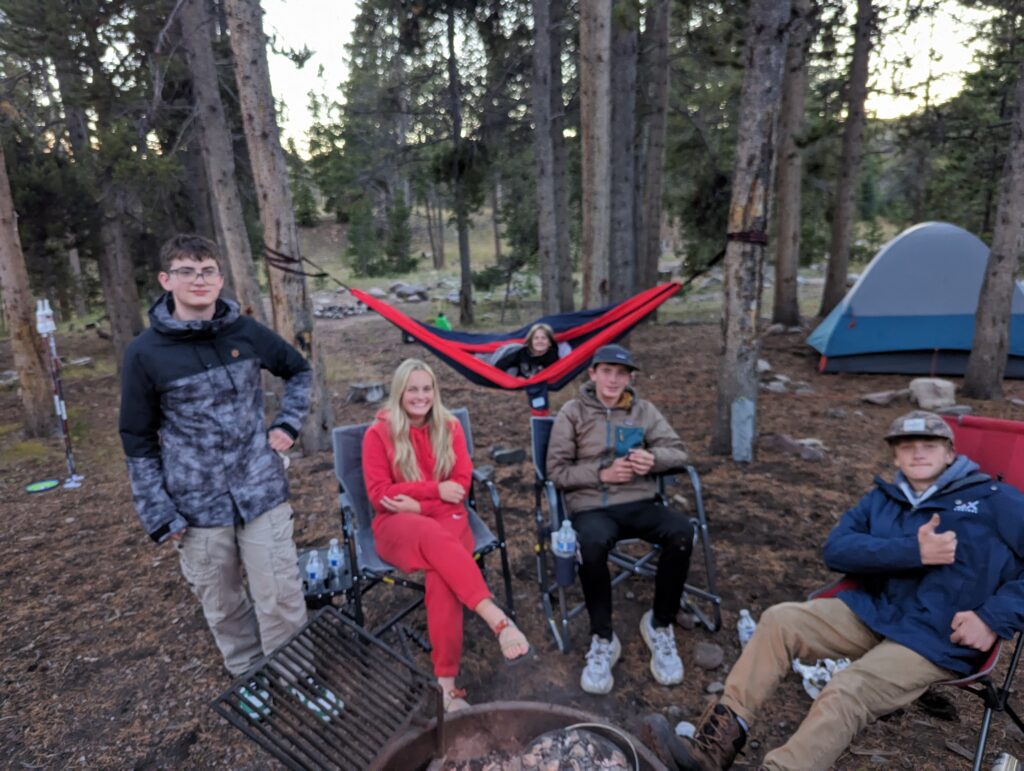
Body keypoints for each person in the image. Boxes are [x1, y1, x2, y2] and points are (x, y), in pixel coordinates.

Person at [643, 410, 1024, 771]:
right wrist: (913, 551)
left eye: (930, 444)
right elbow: (836, 549)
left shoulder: (995, 500)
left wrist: (991, 618)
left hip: (936, 637)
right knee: (779, 620)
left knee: (847, 689)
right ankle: (712, 750)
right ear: (895, 453)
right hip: (873, 613)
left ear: (950, 452)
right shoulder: (884, 499)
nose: (918, 452)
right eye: (907, 445)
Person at [119, 234, 331, 720]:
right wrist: (158, 511)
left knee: (279, 592)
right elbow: (137, 438)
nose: (200, 280)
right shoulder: (144, 353)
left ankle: (297, 674)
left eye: (209, 271)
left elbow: (298, 371)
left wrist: (287, 424)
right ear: (166, 280)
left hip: (260, 490)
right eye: (188, 271)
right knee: (223, 600)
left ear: (220, 278)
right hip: (195, 506)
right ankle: (249, 675)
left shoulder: (244, 332)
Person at [361, 358, 531, 712]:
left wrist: (421, 500)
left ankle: (446, 687)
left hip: (442, 513)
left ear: (435, 391)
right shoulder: (378, 433)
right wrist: (435, 493)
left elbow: (463, 483)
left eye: (427, 389)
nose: (421, 396)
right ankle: (499, 621)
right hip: (396, 522)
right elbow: (381, 494)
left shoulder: (449, 426)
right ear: (400, 392)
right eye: (413, 389)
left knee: (441, 572)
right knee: (435, 540)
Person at [546, 344, 694, 694]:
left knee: (682, 532)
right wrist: (602, 473)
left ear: (630, 378)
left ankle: (659, 624)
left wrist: (653, 459)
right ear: (593, 373)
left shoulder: (644, 411)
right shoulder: (573, 412)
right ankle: (602, 637)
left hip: (640, 501)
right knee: (591, 543)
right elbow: (556, 472)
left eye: (621, 373)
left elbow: (680, 453)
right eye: (607, 371)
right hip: (592, 505)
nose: (613, 379)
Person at [492, 322, 561, 378]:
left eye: (544, 338)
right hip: (520, 385)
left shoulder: (552, 356)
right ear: (530, 341)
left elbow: (555, 375)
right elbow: (502, 363)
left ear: (550, 343)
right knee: (511, 370)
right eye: (536, 338)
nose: (540, 341)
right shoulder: (523, 353)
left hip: (538, 385)